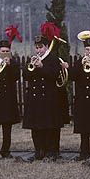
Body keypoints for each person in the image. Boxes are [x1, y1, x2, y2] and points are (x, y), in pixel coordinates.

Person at [22, 30, 64, 161]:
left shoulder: (53, 59)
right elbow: (26, 76)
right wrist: (32, 67)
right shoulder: (33, 59)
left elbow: (54, 75)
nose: (38, 50)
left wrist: (42, 66)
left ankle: (52, 151)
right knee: (36, 126)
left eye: (41, 47)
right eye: (37, 47)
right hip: (35, 98)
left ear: (46, 47)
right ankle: (39, 150)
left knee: (50, 126)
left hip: (49, 98)